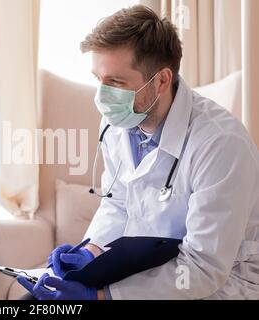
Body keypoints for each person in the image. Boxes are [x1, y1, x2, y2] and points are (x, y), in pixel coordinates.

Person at [18, 5, 259, 300]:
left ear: (161, 80)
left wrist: (102, 297)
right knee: (34, 301)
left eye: (116, 82)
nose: (102, 96)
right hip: (149, 270)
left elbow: (203, 268)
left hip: (221, 285)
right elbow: (118, 202)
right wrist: (90, 253)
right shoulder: (118, 121)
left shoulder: (220, 143)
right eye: (98, 79)